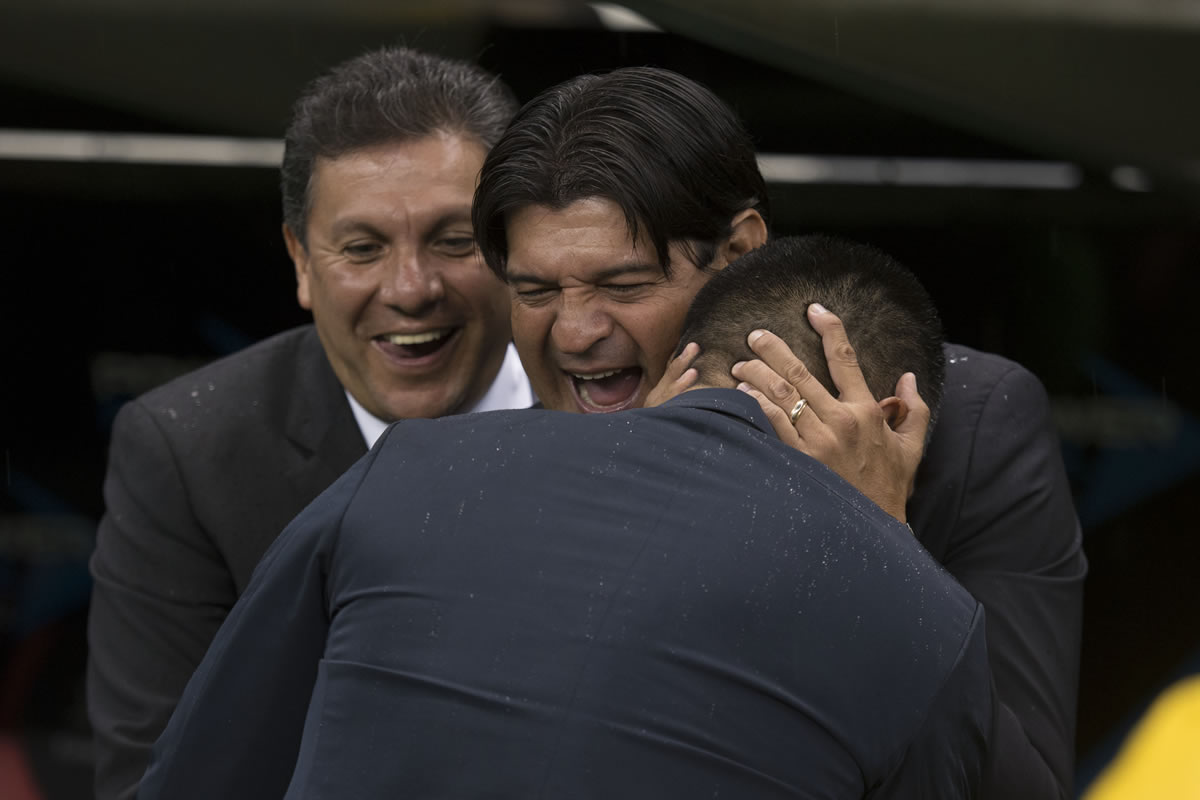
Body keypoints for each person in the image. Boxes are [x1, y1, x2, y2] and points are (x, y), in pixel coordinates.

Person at [139, 235, 992, 800]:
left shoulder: (416, 463)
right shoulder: (923, 616)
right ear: (894, 418)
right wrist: (883, 538)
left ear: (686, 363)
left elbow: (197, 778)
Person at [473, 66, 1086, 799]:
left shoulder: (972, 422)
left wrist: (872, 549)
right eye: (534, 292)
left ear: (740, 252)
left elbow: (1023, 790)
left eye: (623, 285)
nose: (573, 333)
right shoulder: (487, 467)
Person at [86, 46, 532, 800]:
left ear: (515, 243)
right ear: (300, 260)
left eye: (455, 241)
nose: (412, 288)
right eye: (362, 249)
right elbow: (159, 780)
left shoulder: (622, 410)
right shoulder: (190, 453)